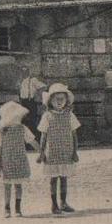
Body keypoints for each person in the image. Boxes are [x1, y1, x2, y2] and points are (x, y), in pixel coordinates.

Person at [36, 82, 80, 215]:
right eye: (56, 99)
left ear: (67, 101)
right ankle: (54, 204)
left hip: (66, 152)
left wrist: (75, 152)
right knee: (53, 179)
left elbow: (74, 135)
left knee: (64, 177)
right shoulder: (47, 116)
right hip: (52, 154)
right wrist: (41, 153)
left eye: (62, 99)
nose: (60, 102)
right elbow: (43, 136)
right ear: (50, 101)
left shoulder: (70, 116)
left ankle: (64, 202)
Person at [0, 100, 37, 218]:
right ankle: (7, 208)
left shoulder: (22, 129)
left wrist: (41, 152)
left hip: (19, 160)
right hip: (6, 161)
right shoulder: (1, 130)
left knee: (18, 185)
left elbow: (32, 141)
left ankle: (18, 208)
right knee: (7, 186)